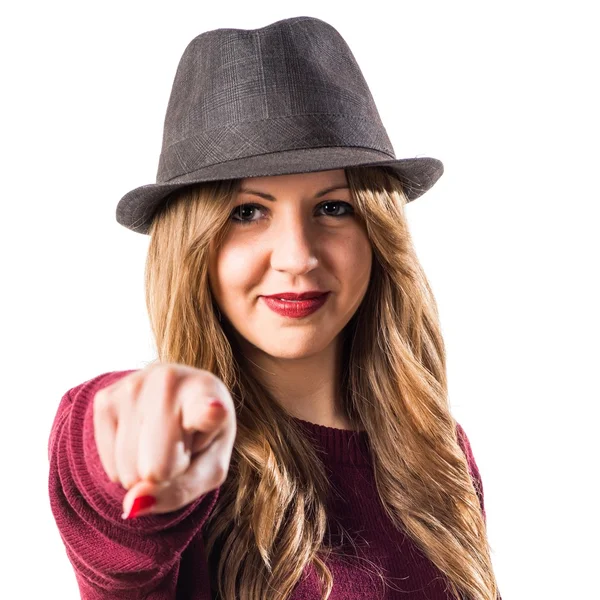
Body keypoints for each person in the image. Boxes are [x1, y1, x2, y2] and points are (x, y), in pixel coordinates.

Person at [47, 16, 502, 600]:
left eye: (334, 209)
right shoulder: (184, 461)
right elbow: (105, 496)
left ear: (377, 232)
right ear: (192, 246)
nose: (296, 256)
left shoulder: (438, 447)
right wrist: (129, 428)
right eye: (247, 212)